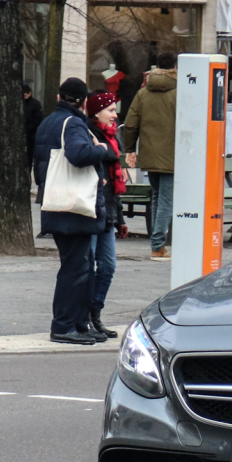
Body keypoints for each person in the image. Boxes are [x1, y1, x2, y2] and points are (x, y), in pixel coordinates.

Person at [34, 77, 117, 345]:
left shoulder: (48, 122)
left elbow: (39, 163)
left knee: (80, 266)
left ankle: (79, 325)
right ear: (82, 102)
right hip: (73, 206)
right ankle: (64, 325)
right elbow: (78, 154)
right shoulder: (74, 124)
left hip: (56, 201)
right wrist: (101, 149)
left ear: (59, 97)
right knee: (76, 268)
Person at [124, 52, 177, 260]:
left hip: (150, 153)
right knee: (166, 200)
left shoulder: (143, 93)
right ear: (174, 67)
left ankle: (157, 243)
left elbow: (130, 123)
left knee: (156, 196)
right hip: (173, 153)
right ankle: (157, 245)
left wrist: (130, 148)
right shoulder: (181, 91)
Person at [84, 91, 125, 338]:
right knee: (88, 265)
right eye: (110, 109)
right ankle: (85, 316)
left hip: (107, 209)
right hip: (91, 209)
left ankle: (95, 312)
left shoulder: (111, 138)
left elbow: (113, 180)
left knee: (107, 266)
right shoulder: (91, 135)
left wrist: (120, 218)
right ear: (96, 112)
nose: (114, 114)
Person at [22, 83, 43, 169]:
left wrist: (28, 129)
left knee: (29, 156)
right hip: (27, 133)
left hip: (31, 135)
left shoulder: (35, 104)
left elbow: (37, 120)